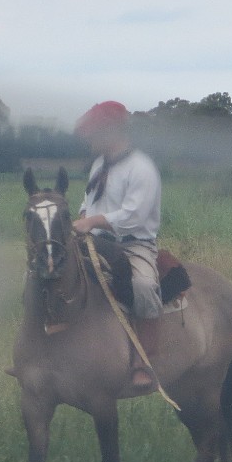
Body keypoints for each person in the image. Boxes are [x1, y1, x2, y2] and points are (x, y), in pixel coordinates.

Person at [72, 101, 162, 392]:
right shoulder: (99, 165)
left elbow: (134, 216)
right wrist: (85, 216)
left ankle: (143, 362)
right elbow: (89, 201)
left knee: (145, 285)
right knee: (51, 271)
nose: (90, 139)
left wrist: (94, 220)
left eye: (95, 133)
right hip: (95, 239)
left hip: (133, 244)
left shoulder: (142, 168)